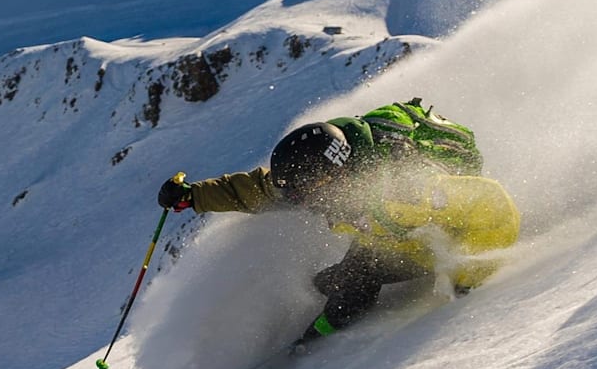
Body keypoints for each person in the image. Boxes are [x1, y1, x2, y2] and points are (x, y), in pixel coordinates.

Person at [157, 98, 520, 352]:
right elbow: (256, 190)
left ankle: (315, 343)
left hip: (434, 240)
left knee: (355, 281)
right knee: (332, 280)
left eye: (304, 191)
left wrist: (471, 275)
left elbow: (490, 203)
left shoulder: (404, 189)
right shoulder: (323, 181)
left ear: (333, 177)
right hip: (392, 235)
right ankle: (323, 324)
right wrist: (194, 197)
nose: (298, 200)